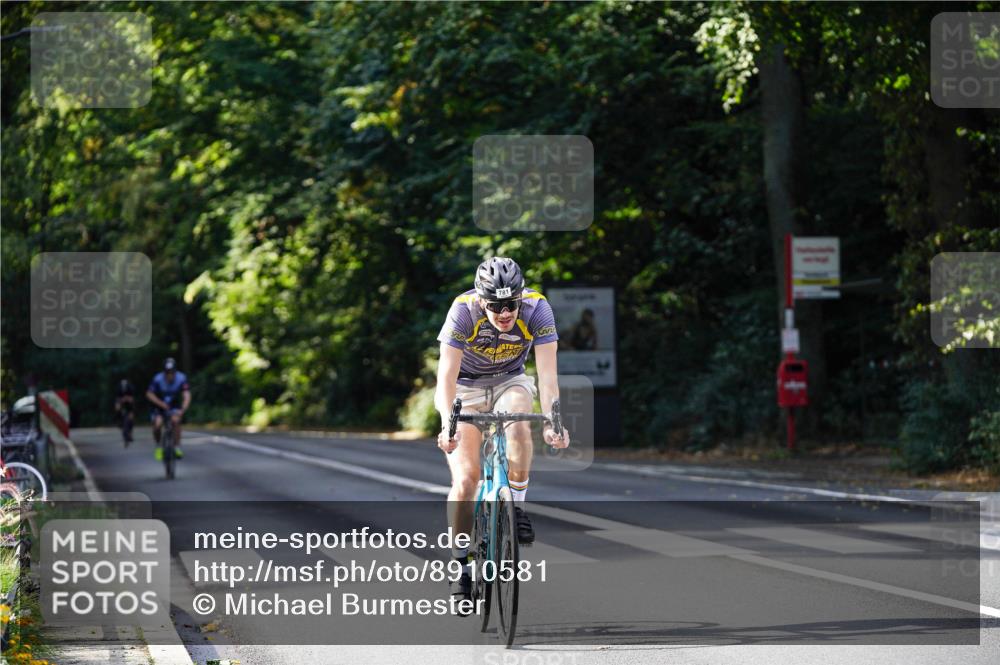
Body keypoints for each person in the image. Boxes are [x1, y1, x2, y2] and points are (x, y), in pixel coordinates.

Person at [435, 257, 570, 607]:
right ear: (482, 300)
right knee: (466, 479)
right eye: (495, 305)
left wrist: (556, 420)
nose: (505, 312)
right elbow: (445, 378)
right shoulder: (462, 311)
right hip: (465, 389)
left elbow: (548, 376)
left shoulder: (537, 309)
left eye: (511, 304)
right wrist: (446, 422)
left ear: (521, 297)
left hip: (511, 380)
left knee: (520, 422)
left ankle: (518, 509)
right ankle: (460, 563)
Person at [145, 358, 191, 460]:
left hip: (174, 405)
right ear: (164, 372)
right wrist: (160, 403)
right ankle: (158, 447)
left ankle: (177, 447)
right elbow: (149, 394)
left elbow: (186, 394)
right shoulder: (157, 379)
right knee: (157, 425)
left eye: (172, 372)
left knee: (176, 421)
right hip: (159, 405)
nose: (170, 375)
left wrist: (183, 408)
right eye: (167, 373)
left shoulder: (181, 378)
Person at [114, 379, 135, 444]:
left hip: (129, 404)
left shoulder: (130, 387)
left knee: (131, 417)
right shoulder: (118, 388)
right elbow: (117, 397)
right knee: (117, 407)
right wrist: (121, 400)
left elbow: (132, 398)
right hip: (121, 401)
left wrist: (128, 399)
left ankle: (130, 434)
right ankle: (118, 419)